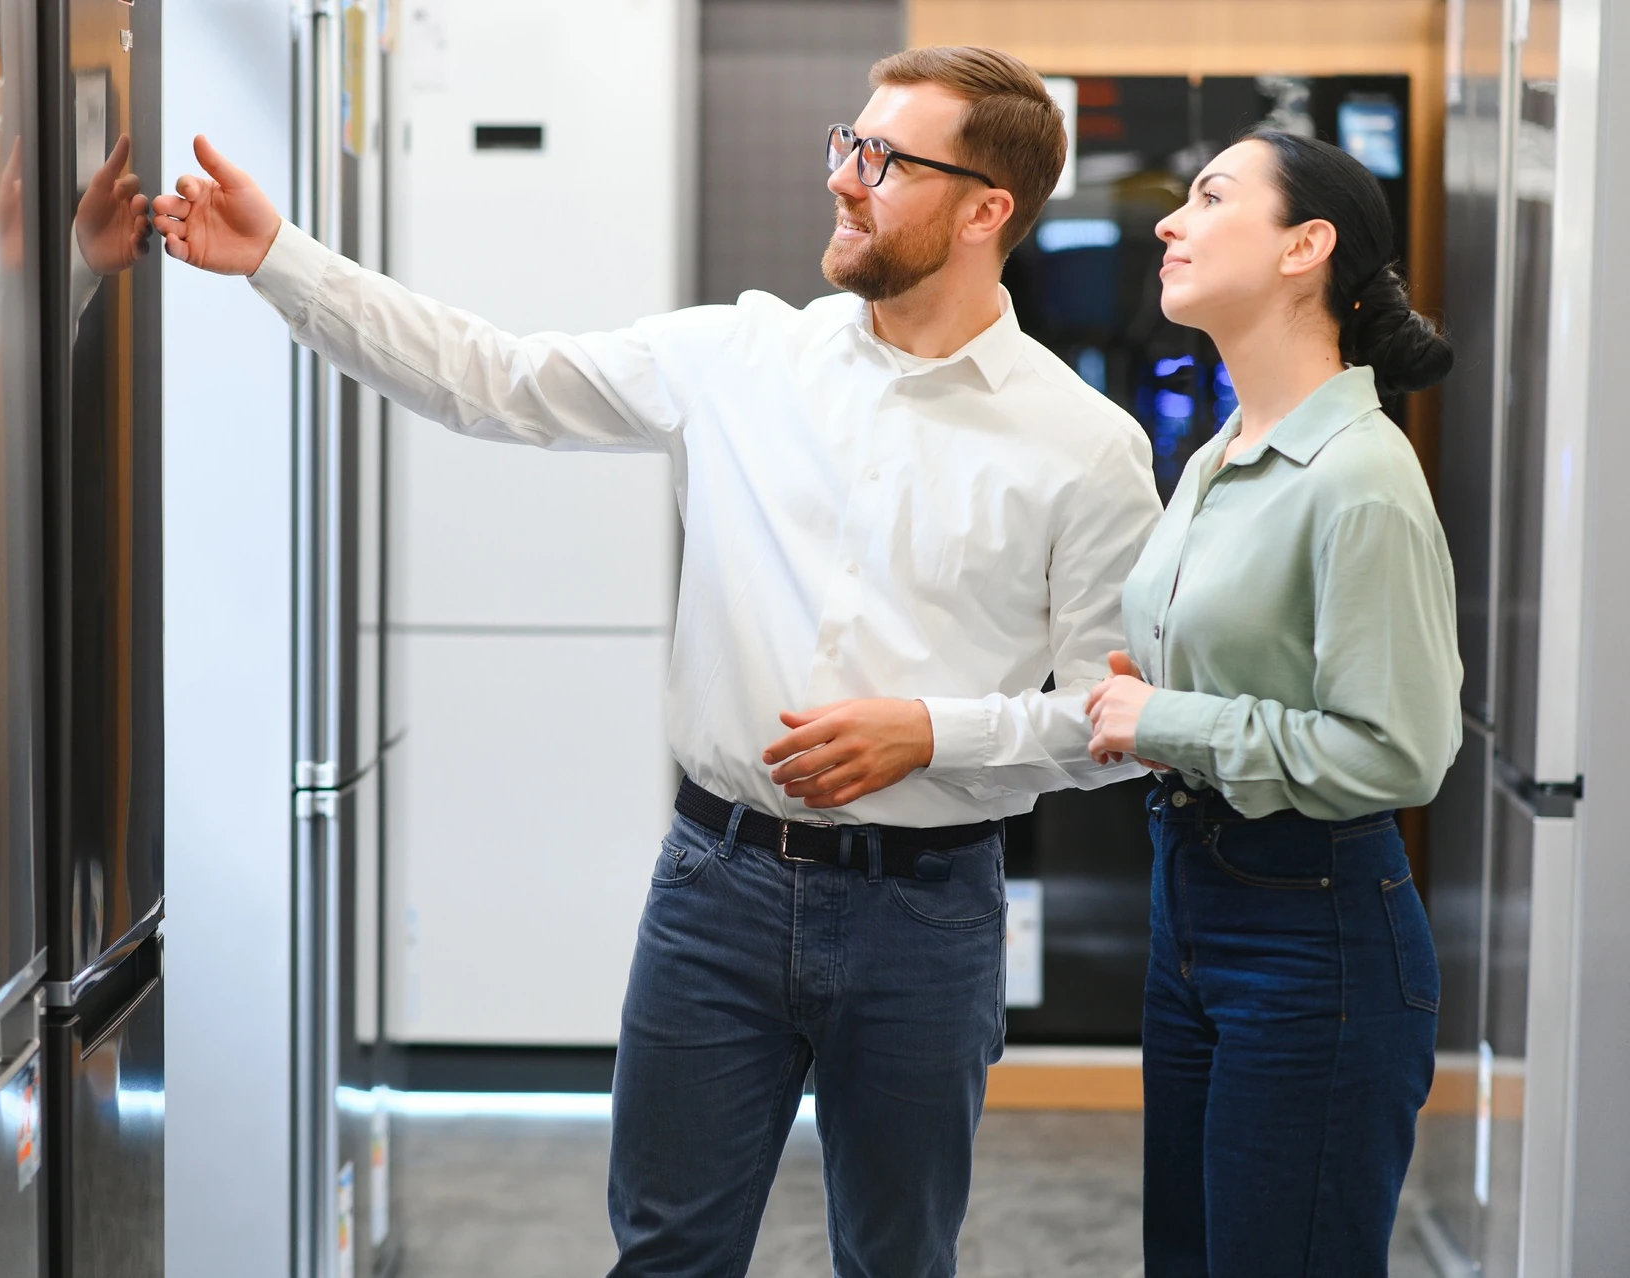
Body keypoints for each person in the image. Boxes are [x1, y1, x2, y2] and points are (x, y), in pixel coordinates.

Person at [157, 46, 1161, 1277]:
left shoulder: (1084, 445)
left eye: (886, 160)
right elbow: (493, 378)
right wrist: (280, 258)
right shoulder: (742, 357)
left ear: (985, 210)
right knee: (667, 1257)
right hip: (716, 888)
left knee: (898, 1258)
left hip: (927, 914)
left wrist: (932, 732)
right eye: (848, 143)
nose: (844, 178)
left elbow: (1113, 723)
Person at [1083, 129, 1459, 1277]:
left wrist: (1166, 721)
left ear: (1306, 247)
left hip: (1313, 936)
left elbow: (1398, 753)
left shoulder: (1361, 475)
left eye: (1209, 197)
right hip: (1192, 907)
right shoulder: (1219, 455)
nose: (1169, 220)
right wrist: (1161, 695)